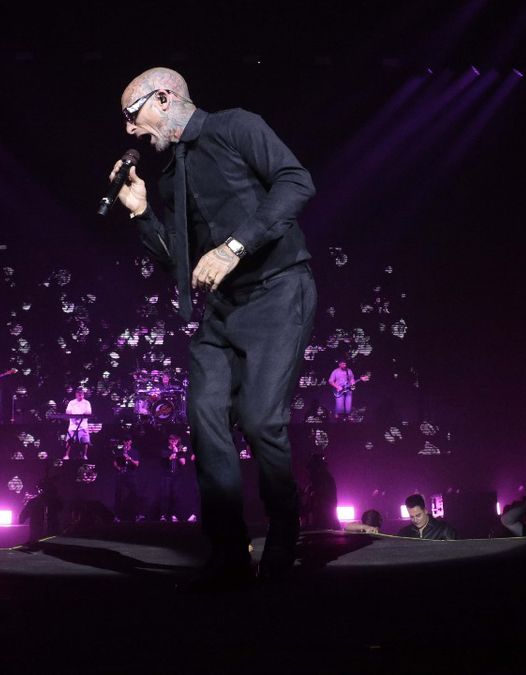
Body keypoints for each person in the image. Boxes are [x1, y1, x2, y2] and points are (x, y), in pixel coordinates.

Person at [110, 67, 317, 588]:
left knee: (261, 421)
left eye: (133, 115)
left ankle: (284, 534)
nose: (130, 130)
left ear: (164, 98)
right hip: (222, 310)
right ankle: (228, 549)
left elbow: (296, 182)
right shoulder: (169, 177)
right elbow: (180, 265)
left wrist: (233, 247)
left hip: (277, 290)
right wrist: (142, 214)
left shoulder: (235, 126)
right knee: (205, 417)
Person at [158, 434, 188, 522]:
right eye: (172, 440)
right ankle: (163, 515)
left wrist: (177, 453)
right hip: (166, 476)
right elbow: (164, 461)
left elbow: (183, 462)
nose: (174, 442)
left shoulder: (180, 450)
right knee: (165, 495)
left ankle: (174, 515)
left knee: (175, 495)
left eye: (176, 441)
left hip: (176, 476)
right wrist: (172, 454)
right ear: (169, 441)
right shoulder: (165, 450)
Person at [112, 438, 141, 521]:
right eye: (125, 441)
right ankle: (117, 516)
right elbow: (115, 463)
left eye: (128, 441)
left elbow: (137, 464)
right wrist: (120, 469)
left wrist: (129, 459)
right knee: (118, 495)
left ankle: (136, 515)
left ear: (131, 441)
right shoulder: (119, 451)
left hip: (131, 475)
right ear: (123, 442)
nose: (127, 442)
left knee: (135, 494)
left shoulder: (134, 451)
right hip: (121, 476)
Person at [62, 388, 92, 460]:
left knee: (85, 442)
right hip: (73, 426)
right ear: (76, 395)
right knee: (69, 441)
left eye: (82, 395)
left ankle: (84, 455)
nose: (81, 396)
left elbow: (89, 412)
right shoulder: (71, 402)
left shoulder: (87, 403)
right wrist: (74, 417)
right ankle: (66, 455)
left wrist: (81, 416)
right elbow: (68, 412)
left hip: (83, 426)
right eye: (79, 395)